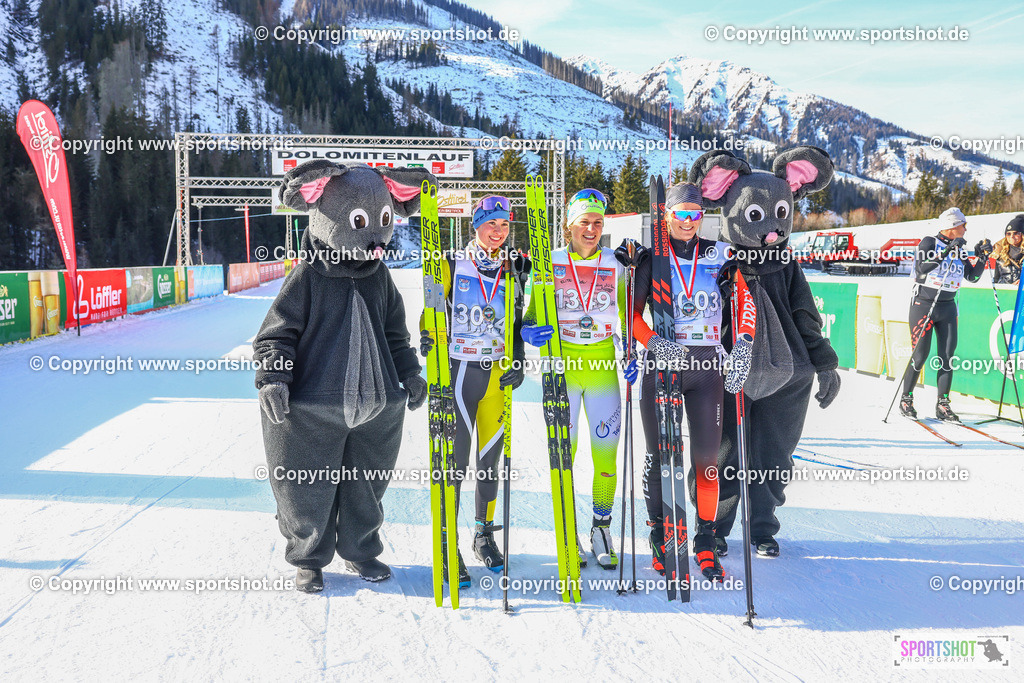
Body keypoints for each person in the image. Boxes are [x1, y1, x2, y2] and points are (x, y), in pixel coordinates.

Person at [628, 182, 750, 582]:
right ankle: (660, 534)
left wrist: (744, 344)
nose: (688, 221)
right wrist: (655, 343)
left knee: (707, 460)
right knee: (660, 457)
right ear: (666, 215)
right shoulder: (652, 260)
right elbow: (630, 316)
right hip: (663, 364)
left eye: (696, 214)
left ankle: (704, 538)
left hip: (707, 366)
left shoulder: (719, 255)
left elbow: (744, 302)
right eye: (681, 214)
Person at [520, 188, 634, 570]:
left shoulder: (616, 265)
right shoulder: (547, 263)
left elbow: (627, 317)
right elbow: (529, 316)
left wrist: (631, 352)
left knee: (605, 457)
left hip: (602, 368)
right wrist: (526, 333)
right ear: (569, 224)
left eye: (598, 222)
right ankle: (567, 531)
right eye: (584, 221)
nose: (591, 228)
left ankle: (601, 529)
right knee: (563, 457)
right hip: (563, 369)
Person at [419, 195, 528, 586]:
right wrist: (428, 335)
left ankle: (483, 533)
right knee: (455, 464)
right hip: (459, 371)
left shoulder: (515, 268)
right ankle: (447, 544)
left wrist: (520, 359)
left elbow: (516, 320)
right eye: (490, 225)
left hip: (496, 376)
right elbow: (431, 303)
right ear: (475, 226)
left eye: (504, 226)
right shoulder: (451, 261)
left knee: (489, 461)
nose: (498, 233)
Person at [900, 207, 987, 422]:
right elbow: (921, 268)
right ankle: (906, 399)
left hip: (947, 307)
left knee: (947, 357)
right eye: (963, 225)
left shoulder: (960, 249)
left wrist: (983, 258)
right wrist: (948, 251)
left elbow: (972, 277)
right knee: (920, 355)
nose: (965, 229)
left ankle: (943, 405)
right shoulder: (929, 242)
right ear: (952, 226)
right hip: (924, 305)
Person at [992, 215, 1024, 285]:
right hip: (1008, 294)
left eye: (1016, 233)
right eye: (1008, 234)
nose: (1012, 236)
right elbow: (997, 281)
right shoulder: (1001, 253)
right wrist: (1010, 286)